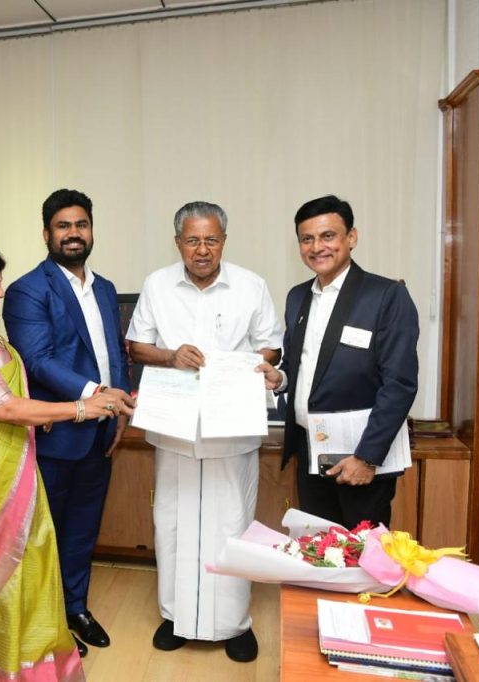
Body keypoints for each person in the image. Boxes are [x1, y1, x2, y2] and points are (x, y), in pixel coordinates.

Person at [0, 242, 132, 681]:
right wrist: (79, 408)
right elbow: (4, 407)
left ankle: (31, 657)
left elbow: (14, 396)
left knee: (30, 557)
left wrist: (46, 417)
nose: (0, 293)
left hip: (11, 465)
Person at [126, 201, 282, 662]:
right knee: (172, 522)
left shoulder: (251, 286)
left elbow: (271, 346)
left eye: (211, 239)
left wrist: (243, 365)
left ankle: (234, 624)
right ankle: (175, 617)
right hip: (175, 428)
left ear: (224, 241)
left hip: (231, 427)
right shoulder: (157, 284)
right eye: (192, 240)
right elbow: (137, 346)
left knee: (231, 521)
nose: (202, 249)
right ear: (178, 243)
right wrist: (171, 355)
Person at [2, 189, 134, 657]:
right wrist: (98, 394)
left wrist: (119, 406)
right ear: (46, 234)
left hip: (101, 432)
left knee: (82, 530)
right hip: (56, 434)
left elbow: (115, 352)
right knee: (45, 534)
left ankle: (75, 608)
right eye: (63, 226)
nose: (74, 233)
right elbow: (38, 360)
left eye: (81, 224)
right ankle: (47, 622)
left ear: (91, 230)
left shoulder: (105, 288)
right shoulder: (27, 290)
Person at [259, 195, 419, 528]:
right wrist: (281, 379)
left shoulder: (386, 296)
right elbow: (301, 364)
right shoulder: (297, 297)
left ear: (351, 237)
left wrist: (367, 457)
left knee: (363, 552)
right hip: (311, 453)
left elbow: (399, 384)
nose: (317, 247)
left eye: (328, 236)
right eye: (307, 239)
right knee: (317, 549)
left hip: (360, 456)